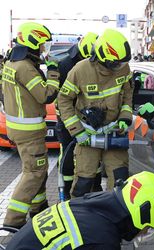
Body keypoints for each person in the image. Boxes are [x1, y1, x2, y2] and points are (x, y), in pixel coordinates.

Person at [5, 171, 154, 250]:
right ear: (141, 214)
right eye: (149, 227)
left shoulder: (96, 203)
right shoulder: (103, 240)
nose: (144, 233)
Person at [57, 29, 133, 197]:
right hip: (87, 134)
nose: (120, 67)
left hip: (114, 133)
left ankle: (114, 217)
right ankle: (78, 216)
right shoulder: (80, 70)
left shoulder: (123, 68)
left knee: (119, 180)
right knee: (84, 181)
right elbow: (63, 100)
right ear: (101, 56)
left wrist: (124, 118)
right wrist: (78, 131)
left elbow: (128, 96)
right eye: (116, 64)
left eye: (122, 63)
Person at [1, 22, 60, 228]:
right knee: (33, 173)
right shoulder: (25, 67)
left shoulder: (11, 63)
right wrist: (53, 72)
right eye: (42, 44)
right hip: (29, 132)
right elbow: (46, 95)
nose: (44, 49)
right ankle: (13, 220)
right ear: (33, 43)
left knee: (39, 171)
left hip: (18, 128)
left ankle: (39, 209)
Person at [55, 32, 98, 200]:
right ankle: (65, 190)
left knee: (91, 153)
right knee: (67, 154)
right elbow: (63, 98)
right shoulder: (65, 65)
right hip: (68, 119)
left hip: (87, 119)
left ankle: (93, 186)